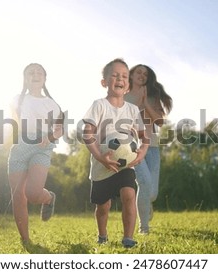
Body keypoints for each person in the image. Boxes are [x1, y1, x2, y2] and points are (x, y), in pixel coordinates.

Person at [82, 58, 149, 248]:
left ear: (128, 85)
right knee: (103, 207)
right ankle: (102, 235)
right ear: (104, 82)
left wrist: (142, 152)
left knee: (129, 194)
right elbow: (88, 133)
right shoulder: (99, 105)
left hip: (125, 164)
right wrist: (99, 157)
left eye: (125, 76)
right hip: (102, 165)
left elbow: (145, 136)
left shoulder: (133, 110)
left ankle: (128, 238)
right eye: (115, 75)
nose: (120, 78)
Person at [7, 63, 63, 245]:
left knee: (32, 193)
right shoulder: (17, 100)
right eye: (31, 72)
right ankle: (26, 240)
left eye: (39, 72)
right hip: (20, 145)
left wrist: (51, 135)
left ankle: (48, 197)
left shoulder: (52, 104)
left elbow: (60, 129)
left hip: (42, 145)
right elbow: (10, 123)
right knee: (18, 196)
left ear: (45, 79)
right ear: (25, 78)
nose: (35, 74)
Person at [124, 64, 172, 234]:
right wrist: (137, 103)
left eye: (145, 74)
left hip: (151, 147)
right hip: (132, 147)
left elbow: (160, 122)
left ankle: (147, 204)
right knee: (144, 184)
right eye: (138, 72)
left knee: (152, 193)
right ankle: (143, 228)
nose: (142, 75)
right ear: (131, 75)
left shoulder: (152, 96)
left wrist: (146, 103)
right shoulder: (123, 96)